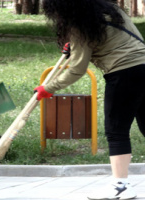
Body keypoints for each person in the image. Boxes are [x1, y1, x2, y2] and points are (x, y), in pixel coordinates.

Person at [36, 0, 145, 199]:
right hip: (143, 65)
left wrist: (47, 88)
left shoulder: (81, 26)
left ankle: (120, 186)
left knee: (116, 131)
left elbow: (77, 70)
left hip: (123, 73)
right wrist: (76, 47)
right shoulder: (113, 11)